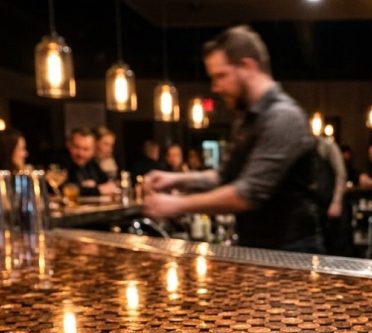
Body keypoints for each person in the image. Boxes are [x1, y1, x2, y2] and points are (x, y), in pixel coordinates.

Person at [143, 26, 321, 252]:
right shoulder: (246, 120)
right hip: (257, 247)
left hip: (291, 251)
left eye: (221, 76)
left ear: (247, 66)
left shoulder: (283, 116)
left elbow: (246, 194)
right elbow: (223, 176)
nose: (215, 87)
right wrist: (175, 179)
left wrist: (177, 204)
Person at [315, 135, 348, 254]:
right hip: (317, 206)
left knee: (335, 246)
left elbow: (341, 174)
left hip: (331, 203)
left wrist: (336, 201)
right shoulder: (302, 148)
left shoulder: (327, 145)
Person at [63, 128, 116, 197]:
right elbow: (64, 189)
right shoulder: (61, 162)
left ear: (93, 150)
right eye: (76, 147)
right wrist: (96, 190)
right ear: (68, 145)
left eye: (86, 149)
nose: (80, 153)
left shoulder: (92, 163)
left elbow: (108, 184)